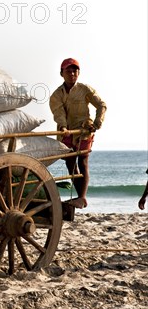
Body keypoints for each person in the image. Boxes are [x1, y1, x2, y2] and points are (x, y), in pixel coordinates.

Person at [49, 58, 107, 209]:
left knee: (83, 162)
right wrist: (62, 127)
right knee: (70, 164)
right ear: (62, 73)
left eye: (75, 71)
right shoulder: (56, 95)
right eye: (68, 71)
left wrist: (97, 123)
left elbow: (101, 105)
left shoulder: (85, 89)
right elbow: (58, 112)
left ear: (79, 73)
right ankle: (81, 197)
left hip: (83, 131)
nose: (72, 73)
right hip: (67, 132)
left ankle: (82, 197)